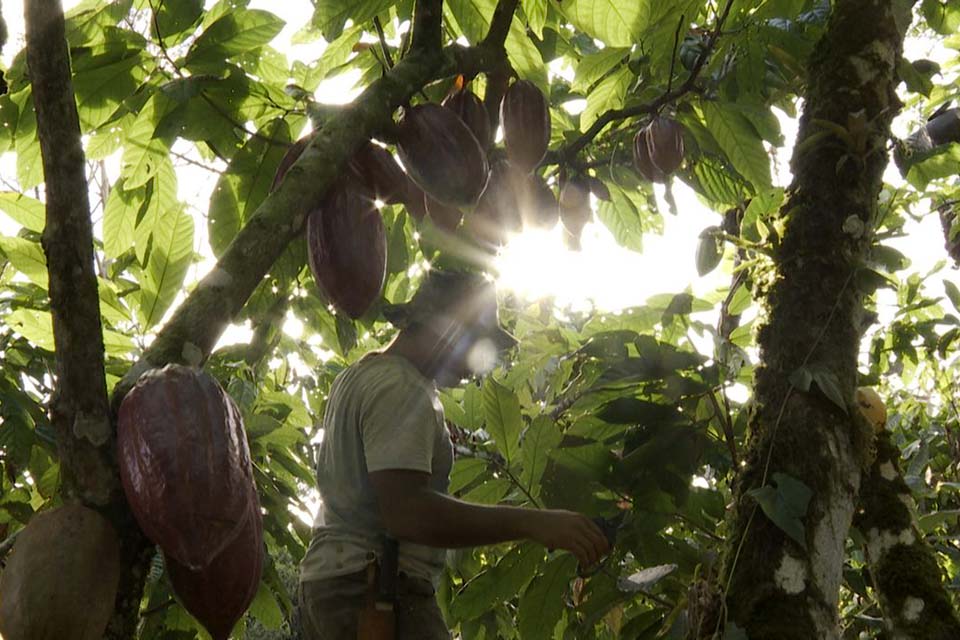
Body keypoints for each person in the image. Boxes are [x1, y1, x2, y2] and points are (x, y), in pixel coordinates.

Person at [298, 270, 610, 640]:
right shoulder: (401, 387)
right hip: (374, 590)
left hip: (331, 586)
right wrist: (535, 523)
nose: (476, 366)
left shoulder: (359, 375)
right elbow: (407, 513)